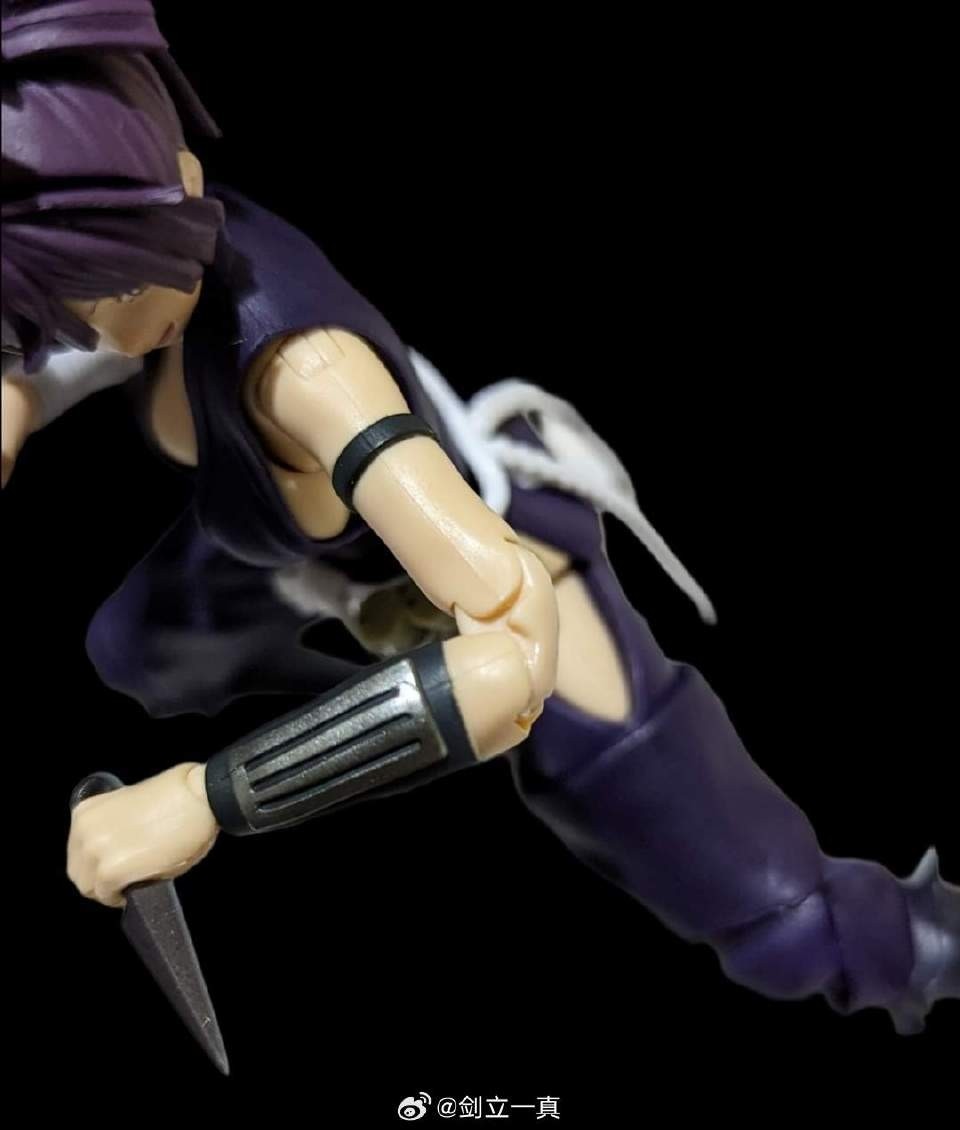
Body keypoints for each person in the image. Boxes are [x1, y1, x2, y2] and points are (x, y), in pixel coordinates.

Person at [2, 0, 956, 1036]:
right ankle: (365, 684)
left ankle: (918, 940)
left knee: (784, 920)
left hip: (489, 561)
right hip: (284, 548)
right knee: (140, 651)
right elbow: (88, 323)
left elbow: (510, 650)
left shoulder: (301, 374)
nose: (77, 334)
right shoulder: (152, 236)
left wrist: (201, 798)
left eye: (75, 307)